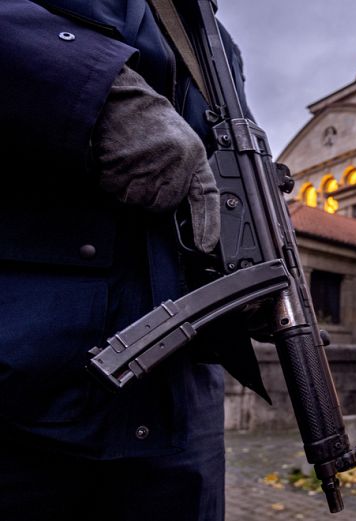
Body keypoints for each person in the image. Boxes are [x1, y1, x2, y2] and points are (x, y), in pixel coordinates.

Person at [0, 1, 255, 519]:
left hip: (180, 405)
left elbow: (218, 171)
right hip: (27, 373)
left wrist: (247, 257)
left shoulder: (215, 43)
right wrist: (95, 91)